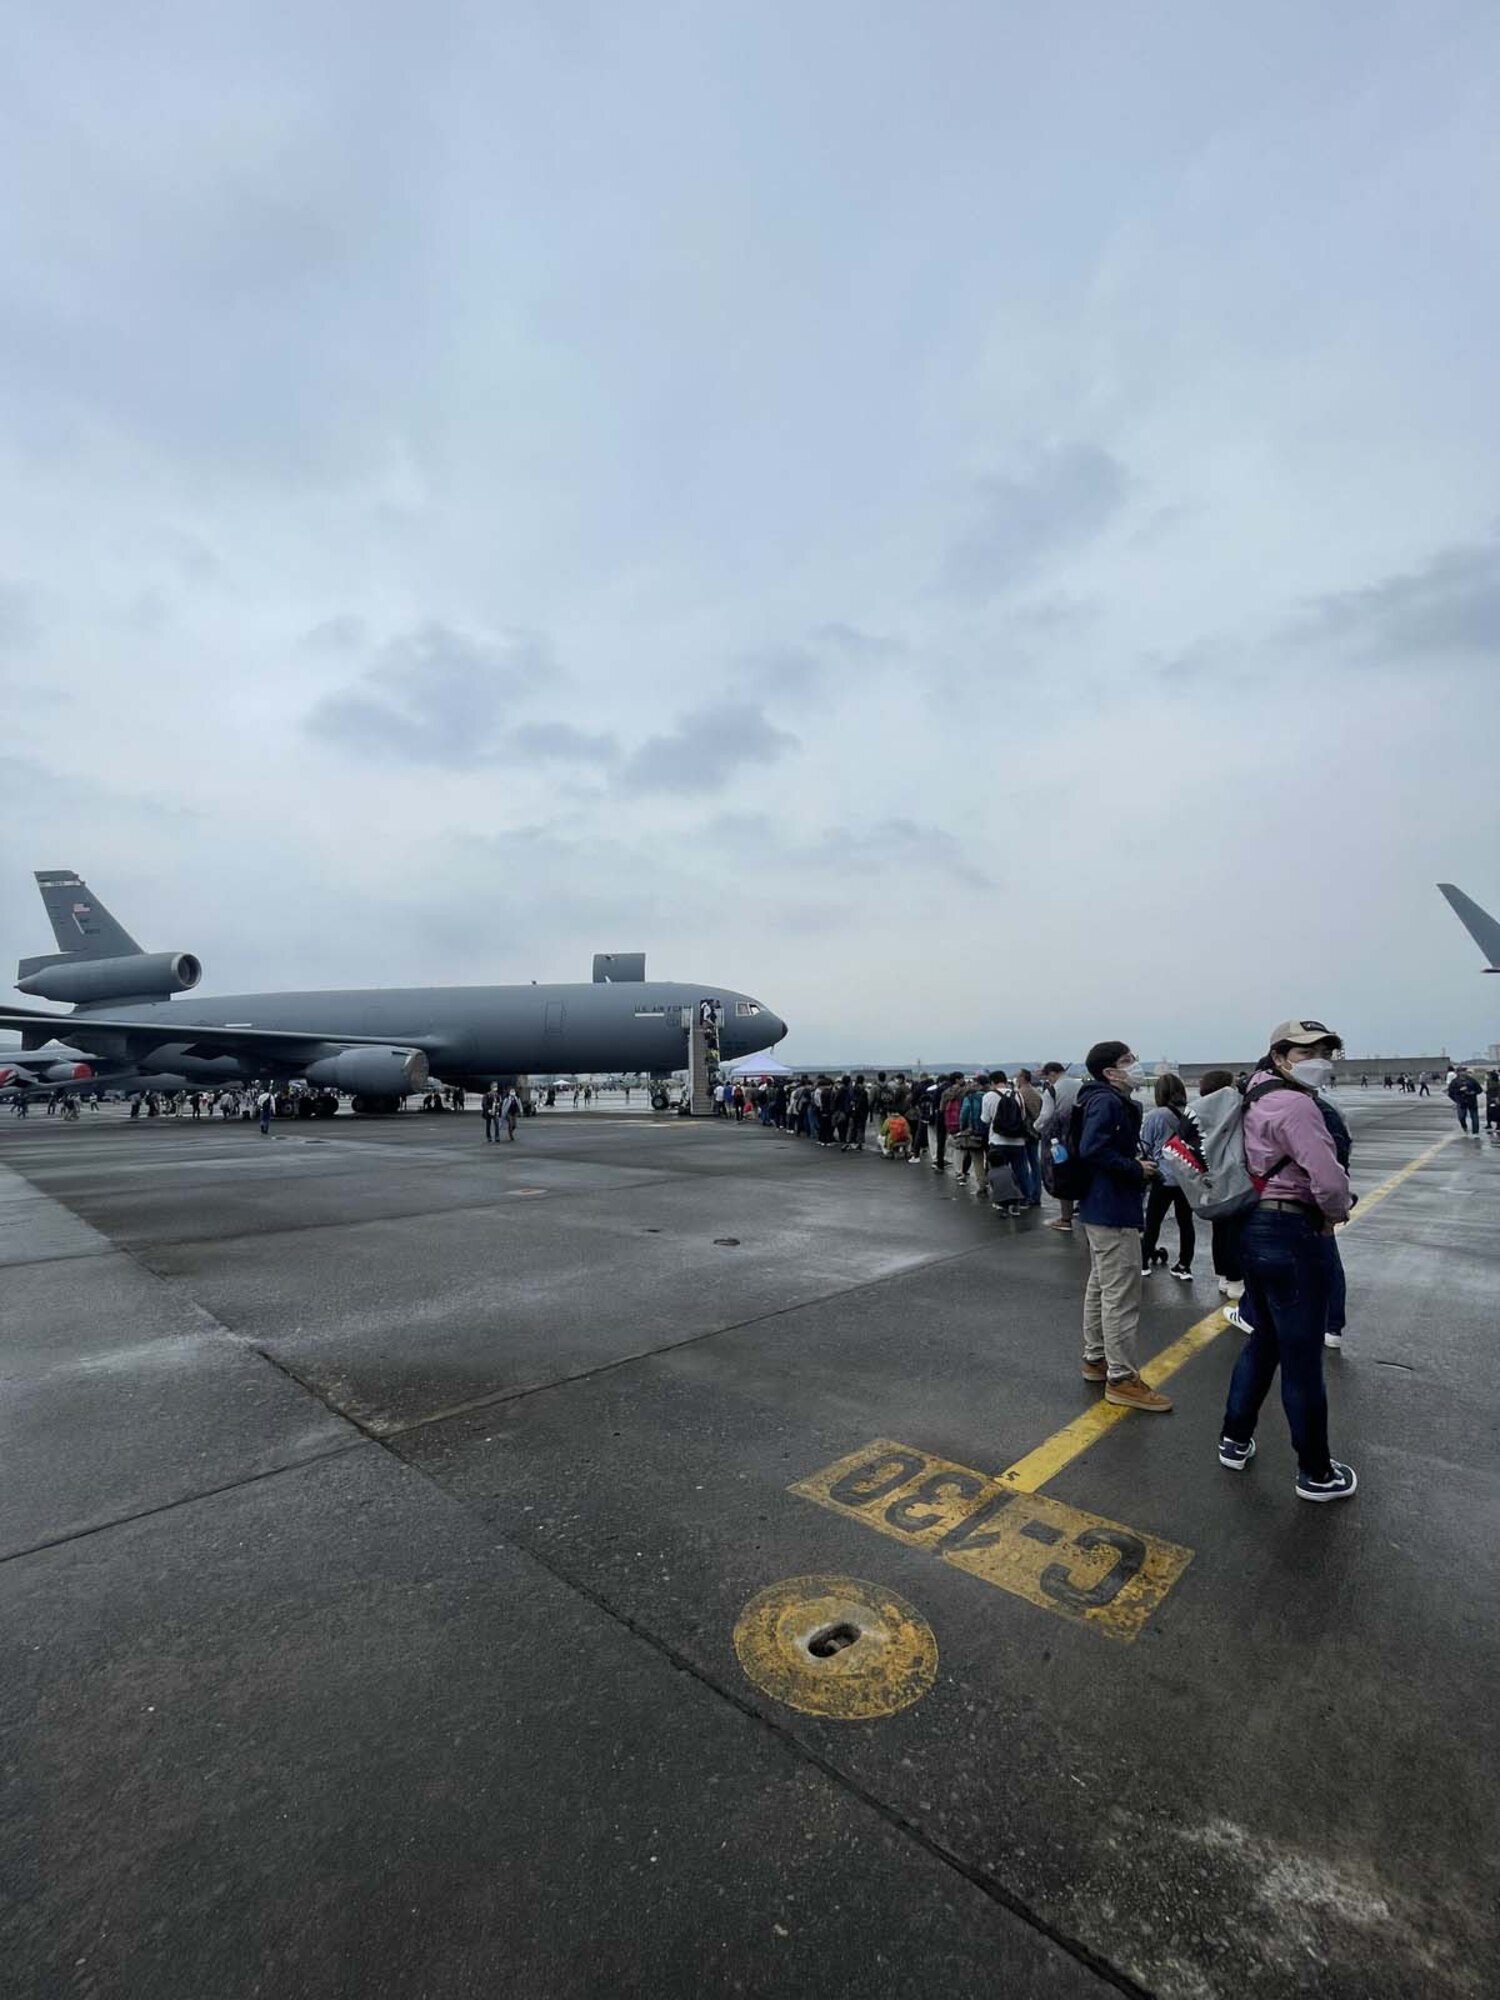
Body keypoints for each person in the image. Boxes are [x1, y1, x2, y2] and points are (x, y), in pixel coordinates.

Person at [1218, 1021, 1356, 1502]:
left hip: (1255, 1227)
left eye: (1324, 1049)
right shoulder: (1296, 1104)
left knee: (1265, 1341)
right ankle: (1316, 1472)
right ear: (1280, 1056)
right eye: (1306, 1050)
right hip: (1294, 1231)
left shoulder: (1254, 1091)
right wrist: (1334, 1216)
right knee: (1301, 1359)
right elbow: (1329, 1180)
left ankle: (1234, 1438)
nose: (1318, 1057)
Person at [1075, 1042, 1171, 1411]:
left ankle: (1096, 1358)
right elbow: (1093, 1149)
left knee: (1102, 1285)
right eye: (1127, 1061)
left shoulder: (1098, 1099)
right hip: (1112, 1209)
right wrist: (1135, 1168)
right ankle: (1121, 1377)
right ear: (1111, 1073)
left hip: (1100, 1207)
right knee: (1121, 1296)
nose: (1135, 1065)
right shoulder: (1108, 1102)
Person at [1139, 1074, 1195, 1281]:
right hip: (1187, 1177)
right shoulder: (1191, 1113)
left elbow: (1145, 1145)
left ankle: (1144, 1261)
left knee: (1154, 1220)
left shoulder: (1157, 1115)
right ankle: (1184, 1265)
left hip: (1163, 1176)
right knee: (1185, 1223)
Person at [1036, 1062, 1081, 1232]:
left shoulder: (1052, 1091)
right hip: (1081, 1135)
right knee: (1082, 1172)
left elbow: (1045, 1117)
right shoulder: (1080, 1085)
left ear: (1052, 1074)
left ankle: (1065, 1218)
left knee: (1062, 1174)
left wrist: (1035, 1127)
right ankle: (1083, 1208)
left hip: (1059, 1139)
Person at [981, 1071, 1029, 1215]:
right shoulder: (1017, 1094)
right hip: (1018, 1140)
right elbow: (1023, 1116)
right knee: (1021, 1171)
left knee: (999, 1172)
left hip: (998, 1140)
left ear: (992, 1082)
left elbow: (985, 1119)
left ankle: (1002, 1203)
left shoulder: (989, 1096)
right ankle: (1022, 1200)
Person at [1448, 1066, 1481, 1134]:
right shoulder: (1455, 1082)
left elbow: (1479, 1090)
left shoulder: (1472, 1080)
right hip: (1461, 1102)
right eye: (1461, 1071)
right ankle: (1464, 1127)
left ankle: (1475, 1132)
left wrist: (1473, 1092)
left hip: (1472, 1101)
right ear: (1458, 1072)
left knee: (1475, 1117)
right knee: (1461, 1117)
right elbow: (1450, 1092)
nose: (1463, 1072)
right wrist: (1458, 1095)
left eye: (1464, 1071)